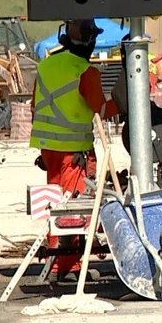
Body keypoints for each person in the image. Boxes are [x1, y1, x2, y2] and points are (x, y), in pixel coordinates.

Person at [30, 19, 121, 278]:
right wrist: (125, 102)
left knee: (56, 206)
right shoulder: (86, 71)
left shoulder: (45, 66)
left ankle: (58, 260)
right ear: (90, 42)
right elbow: (101, 110)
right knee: (73, 208)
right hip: (74, 152)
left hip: (49, 151)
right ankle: (69, 267)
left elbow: (35, 105)